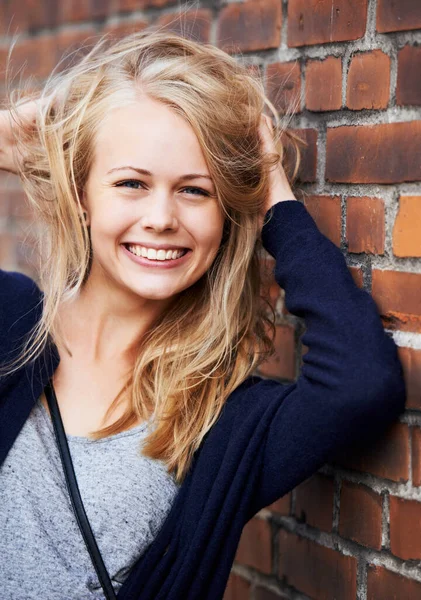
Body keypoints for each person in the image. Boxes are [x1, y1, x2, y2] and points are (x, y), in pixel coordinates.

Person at [0, 28, 406, 600]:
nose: (162, 217)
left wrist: (272, 196)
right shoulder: (9, 324)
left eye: (195, 190)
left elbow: (361, 383)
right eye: (131, 183)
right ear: (81, 195)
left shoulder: (223, 419)